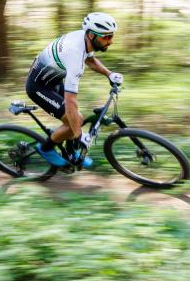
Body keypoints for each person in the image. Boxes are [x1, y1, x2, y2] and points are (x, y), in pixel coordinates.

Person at [26, 12, 124, 168]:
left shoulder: (84, 39)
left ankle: (71, 151)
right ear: (91, 35)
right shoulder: (75, 55)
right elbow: (71, 101)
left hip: (53, 80)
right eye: (106, 37)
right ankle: (45, 148)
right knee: (74, 120)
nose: (110, 41)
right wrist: (79, 136)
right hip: (38, 87)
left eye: (111, 36)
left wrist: (109, 74)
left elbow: (90, 59)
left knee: (75, 120)